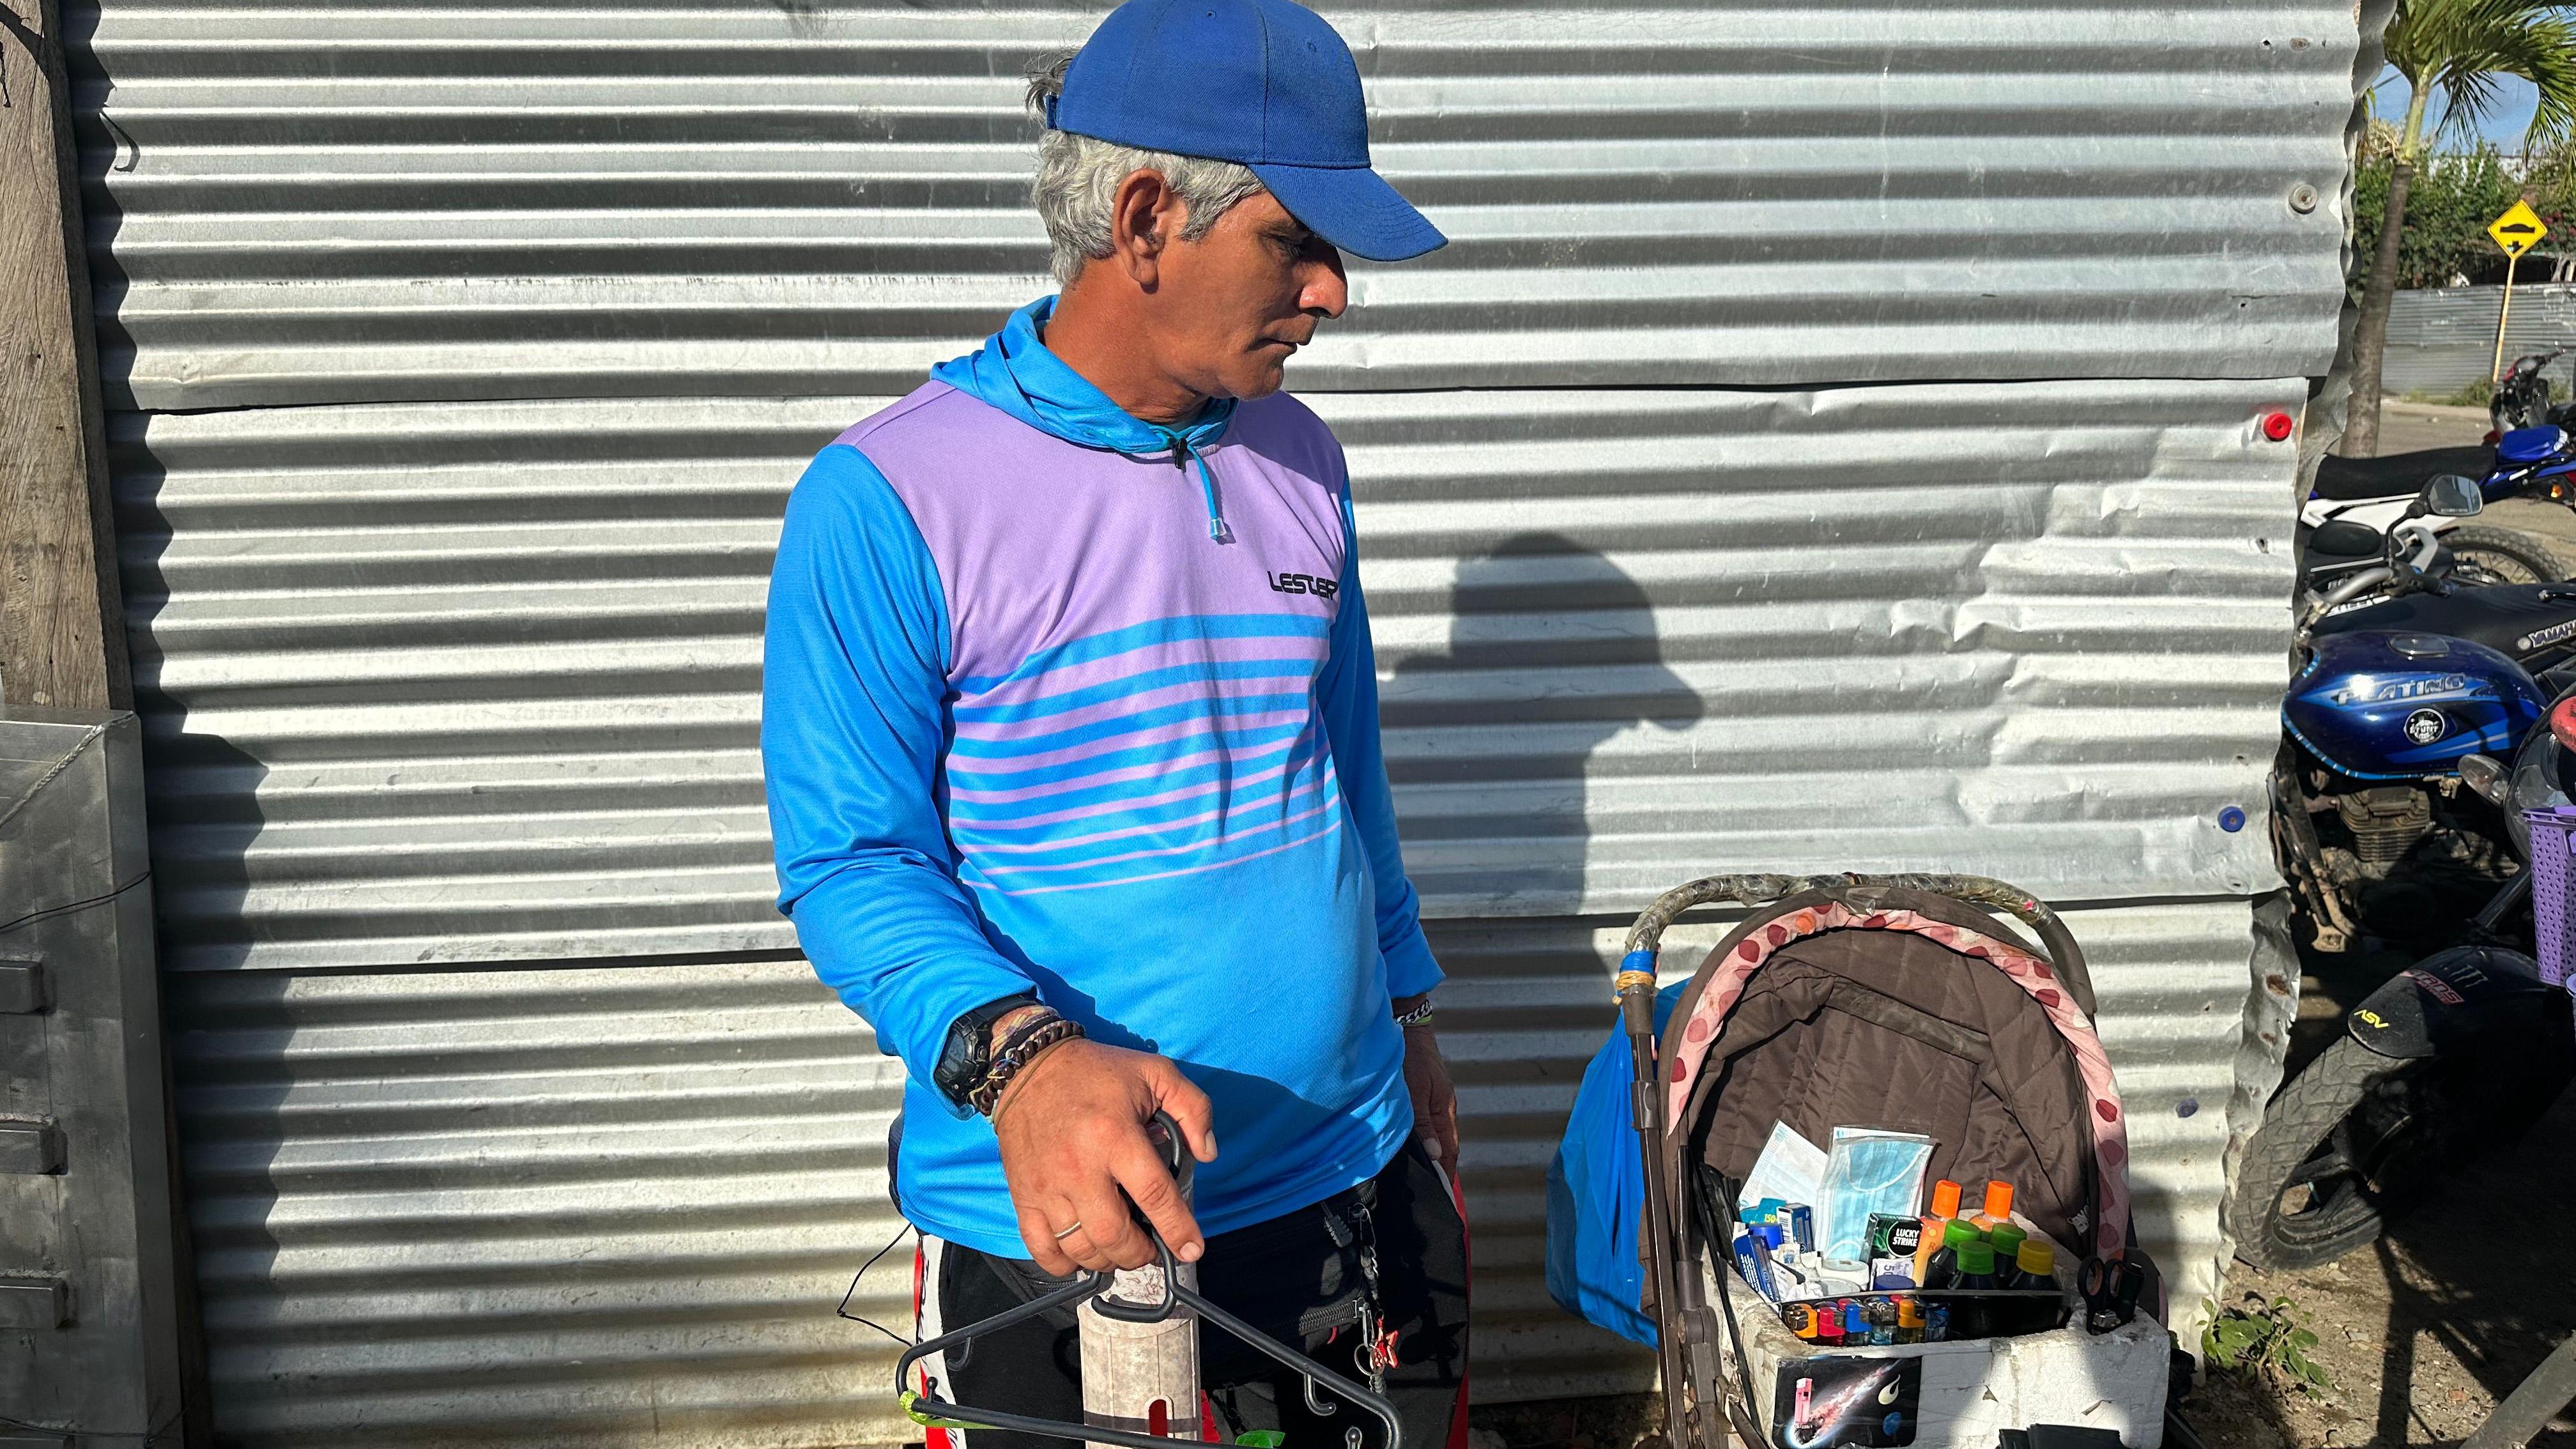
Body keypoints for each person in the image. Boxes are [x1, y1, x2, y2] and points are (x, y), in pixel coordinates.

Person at [760, 3, 1467, 1446]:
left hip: (1348, 1165)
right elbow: (852, 862)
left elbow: (1337, 762)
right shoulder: (892, 502)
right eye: (1297, 241)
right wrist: (1020, 1057)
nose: (1334, 293)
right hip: (1082, 1224)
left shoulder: (1299, 457)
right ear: (1147, 218)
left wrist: (1408, 1011)